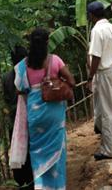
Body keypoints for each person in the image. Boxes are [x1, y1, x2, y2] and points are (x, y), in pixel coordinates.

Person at [13, 28, 75, 189]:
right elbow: (72, 81)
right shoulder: (55, 60)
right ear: (48, 42)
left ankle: (41, 186)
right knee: (57, 151)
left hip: (35, 113)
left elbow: (19, 89)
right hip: (54, 113)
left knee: (37, 152)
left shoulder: (23, 65)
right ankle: (58, 186)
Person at [87, 1, 112, 160]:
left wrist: (91, 76)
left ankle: (109, 150)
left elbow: (96, 56)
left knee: (107, 110)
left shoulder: (97, 30)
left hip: (105, 72)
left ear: (91, 15)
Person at [2, 45, 34, 189]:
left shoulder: (7, 77)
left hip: (14, 121)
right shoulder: (29, 74)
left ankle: (21, 181)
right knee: (31, 150)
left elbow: (6, 100)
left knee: (18, 150)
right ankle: (33, 180)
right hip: (30, 118)